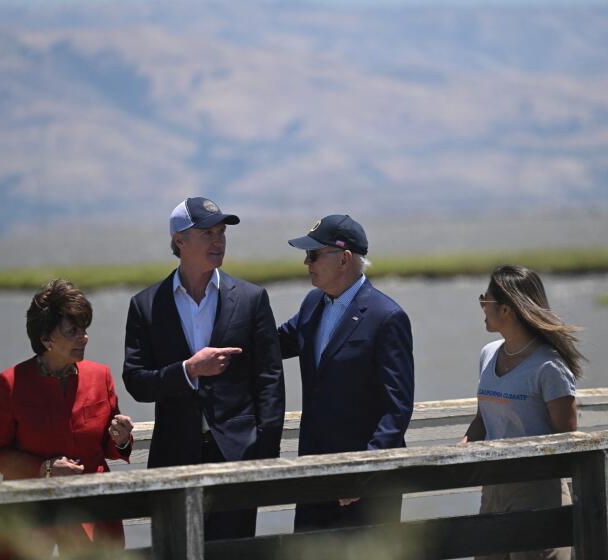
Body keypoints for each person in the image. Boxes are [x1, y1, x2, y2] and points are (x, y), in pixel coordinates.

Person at [122, 196, 285, 540]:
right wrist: (188, 371)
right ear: (179, 240)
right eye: (208, 233)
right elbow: (136, 381)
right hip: (174, 458)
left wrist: (265, 453)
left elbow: (269, 378)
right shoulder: (145, 305)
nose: (219, 241)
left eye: (222, 233)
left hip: (239, 457)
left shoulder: (253, 298)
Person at [278, 214, 414, 531]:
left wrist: (362, 473)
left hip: (365, 486)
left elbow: (397, 409)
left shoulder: (387, 316)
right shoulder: (313, 304)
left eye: (313, 254)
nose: (305, 262)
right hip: (315, 474)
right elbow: (271, 345)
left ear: (345, 259)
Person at [0, 279, 134, 560]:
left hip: (93, 516)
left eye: (85, 329)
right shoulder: (12, 383)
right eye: (73, 331)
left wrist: (121, 438)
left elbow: (109, 446)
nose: (84, 337)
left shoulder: (100, 375)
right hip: (29, 518)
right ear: (46, 339)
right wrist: (46, 468)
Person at [462, 264, 585, 560]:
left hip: (538, 494)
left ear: (506, 309)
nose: (481, 306)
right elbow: (483, 419)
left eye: (485, 299)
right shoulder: (488, 354)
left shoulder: (549, 366)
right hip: (492, 492)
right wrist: (462, 449)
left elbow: (566, 439)